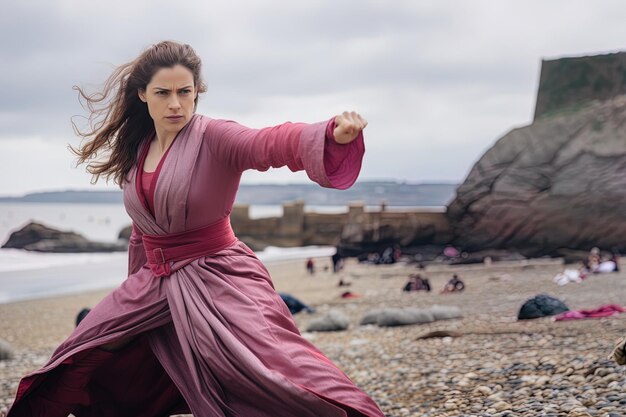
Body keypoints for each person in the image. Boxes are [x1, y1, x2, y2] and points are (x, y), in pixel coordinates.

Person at [5, 41, 384, 417]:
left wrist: (329, 134)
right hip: (153, 280)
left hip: (219, 275)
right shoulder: (139, 149)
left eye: (185, 92)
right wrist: (134, 294)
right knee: (81, 351)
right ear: (142, 95)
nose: (175, 103)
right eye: (163, 93)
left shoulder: (216, 137)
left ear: (196, 92)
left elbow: (267, 143)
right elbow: (141, 234)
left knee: (279, 370)